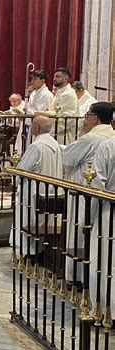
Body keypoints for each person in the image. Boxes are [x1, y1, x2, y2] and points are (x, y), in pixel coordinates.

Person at [62, 102, 115, 282]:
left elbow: (68, 159)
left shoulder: (91, 139)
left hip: (87, 193)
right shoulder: (110, 136)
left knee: (79, 232)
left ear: (95, 118)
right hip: (105, 197)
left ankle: (75, 276)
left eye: (87, 115)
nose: (85, 119)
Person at [10, 116, 63, 255]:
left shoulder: (36, 146)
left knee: (29, 220)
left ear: (37, 128)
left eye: (33, 125)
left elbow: (23, 169)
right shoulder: (55, 144)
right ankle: (40, 251)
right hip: (50, 190)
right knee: (43, 220)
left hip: (33, 190)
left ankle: (28, 252)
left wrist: (14, 179)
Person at [89, 136, 115, 316]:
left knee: (107, 260)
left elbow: (97, 184)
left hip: (109, 210)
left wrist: (87, 217)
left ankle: (107, 309)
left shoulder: (108, 145)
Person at [23, 70, 54, 150]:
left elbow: (43, 113)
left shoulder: (46, 95)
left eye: (34, 79)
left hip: (41, 128)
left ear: (42, 81)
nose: (32, 81)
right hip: (32, 125)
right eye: (32, 79)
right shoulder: (34, 93)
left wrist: (28, 111)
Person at [50, 67, 80, 144]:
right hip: (55, 132)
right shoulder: (60, 91)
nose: (54, 79)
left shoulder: (69, 94)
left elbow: (70, 118)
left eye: (57, 77)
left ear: (65, 78)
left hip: (63, 135)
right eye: (54, 77)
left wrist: (50, 126)